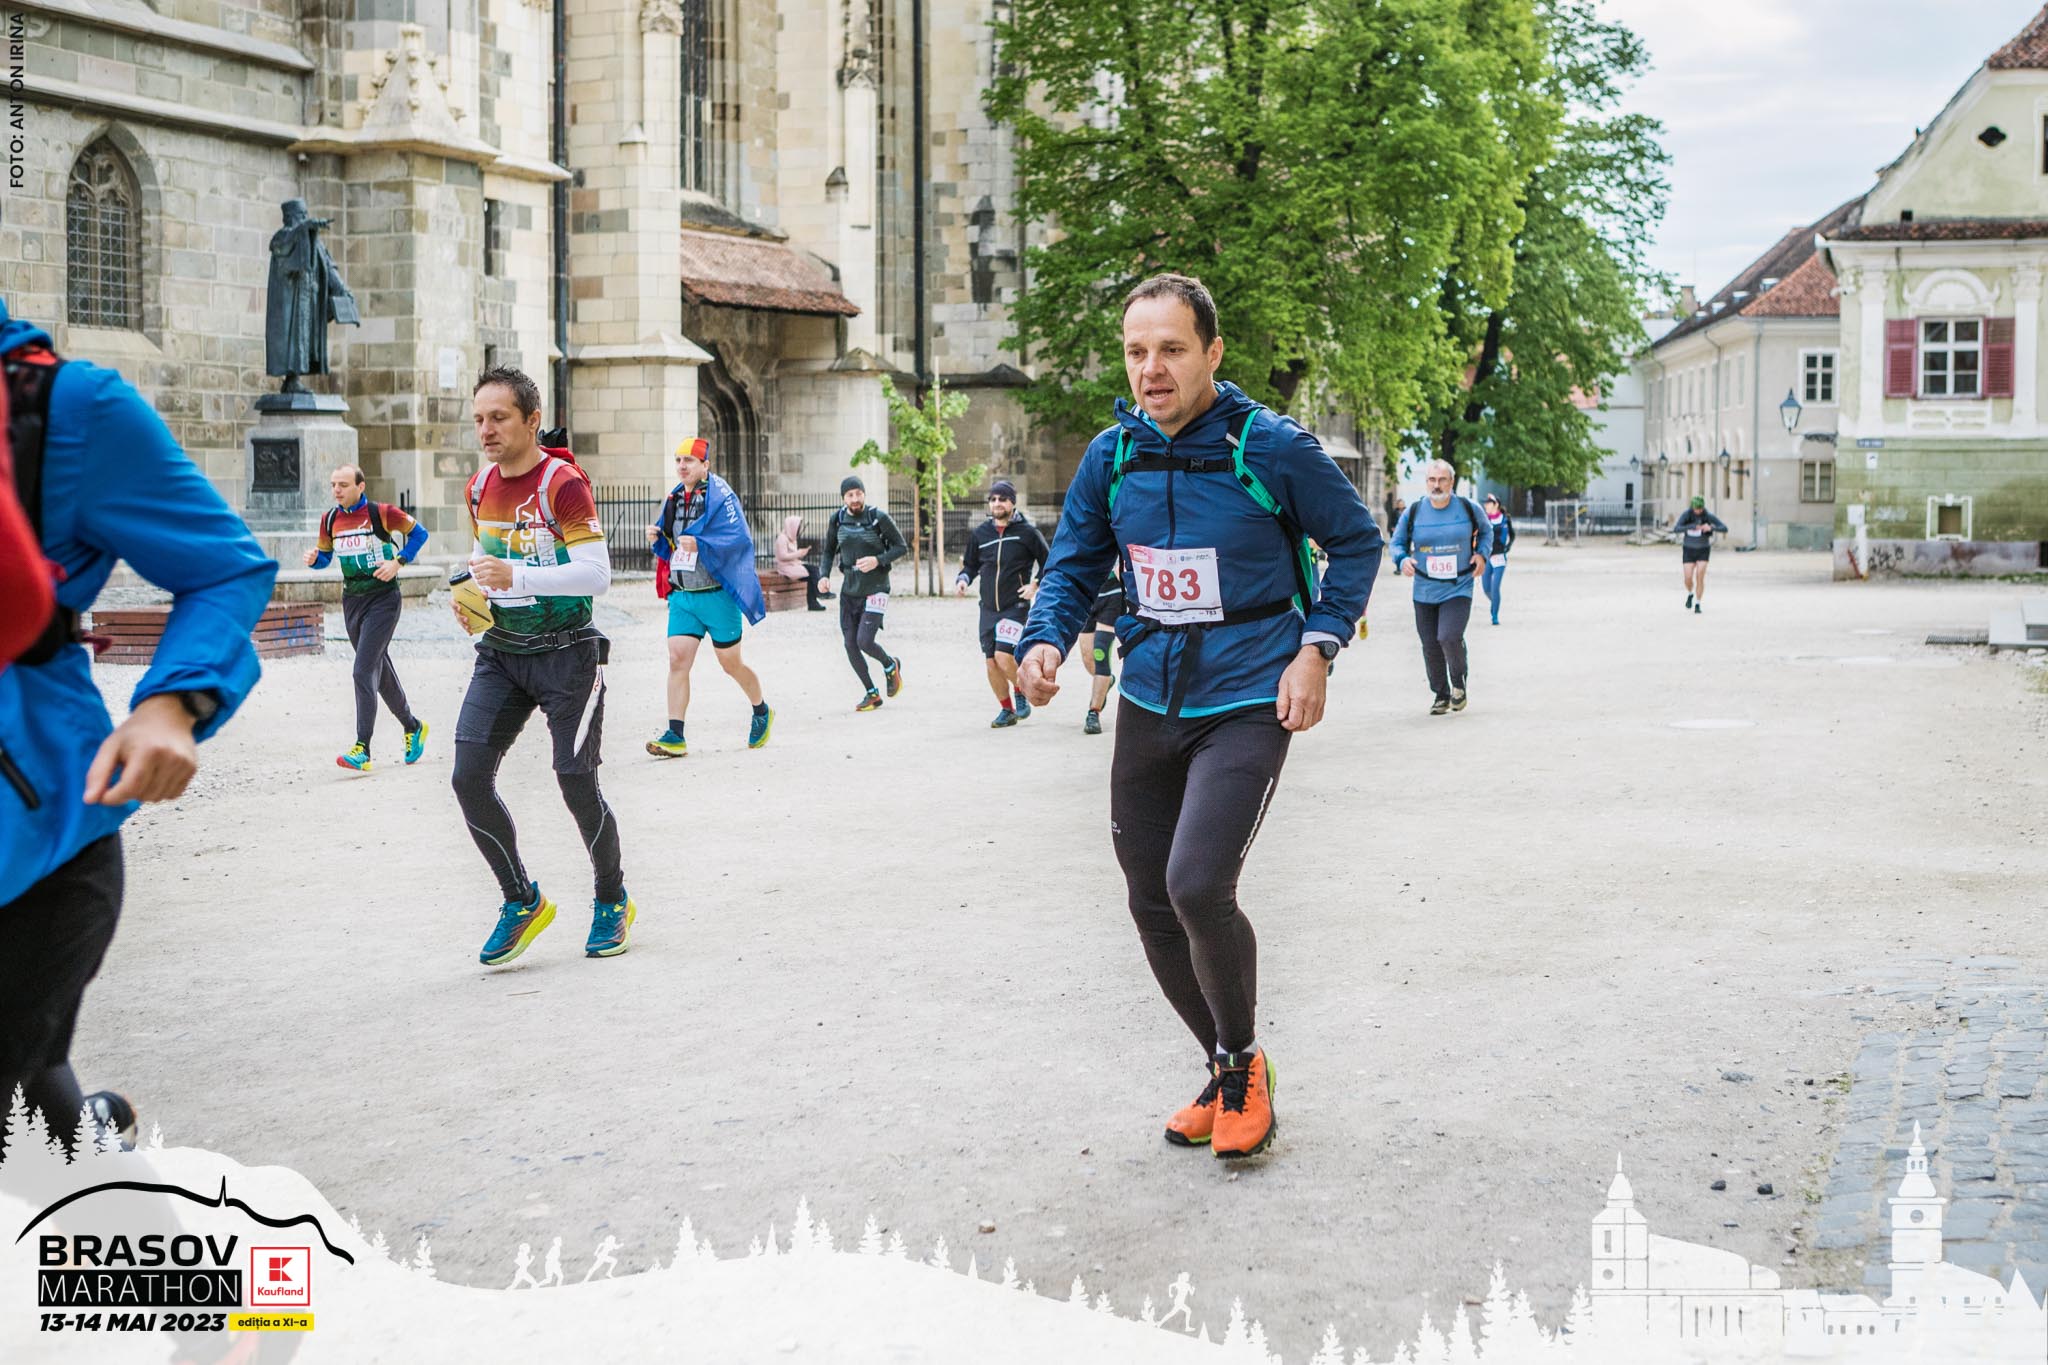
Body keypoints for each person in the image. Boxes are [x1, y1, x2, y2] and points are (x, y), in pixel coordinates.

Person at [1017, 273, 1382, 1161]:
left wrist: (1318, 646)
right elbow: (1072, 564)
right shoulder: (1112, 456)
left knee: (1196, 884)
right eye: (1137, 351)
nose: (1152, 368)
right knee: (1148, 897)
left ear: (1212, 353)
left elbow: (1356, 540)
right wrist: (1045, 639)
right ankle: (1225, 1067)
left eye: (1172, 349)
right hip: (1151, 694)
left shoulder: (1273, 448)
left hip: (1251, 694)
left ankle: (1245, 1066)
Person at [0, 296, 277, 1157]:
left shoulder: (66, 407)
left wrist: (172, 701)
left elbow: (225, 568)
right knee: (39, 1124)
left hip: (33, 852)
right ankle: (89, 1156)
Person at [451, 366, 637, 965]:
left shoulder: (562, 484)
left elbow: (598, 575)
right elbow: (484, 554)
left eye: (499, 417)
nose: (486, 430)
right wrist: (472, 595)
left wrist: (518, 575)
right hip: (502, 653)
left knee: (575, 781)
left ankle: (612, 899)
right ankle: (520, 900)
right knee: (467, 778)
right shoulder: (480, 486)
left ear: (532, 420)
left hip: (567, 655)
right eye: (479, 419)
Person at [644, 437, 773, 757]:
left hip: (717, 596)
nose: (682, 466)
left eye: (689, 460)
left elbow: (738, 541)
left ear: (706, 465)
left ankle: (761, 710)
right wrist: (658, 536)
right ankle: (675, 735)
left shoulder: (722, 498)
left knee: (731, 664)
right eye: (678, 460)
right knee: (677, 660)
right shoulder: (674, 498)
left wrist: (702, 545)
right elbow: (671, 541)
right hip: (683, 596)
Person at [302, 464, 430, 772]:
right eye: (333, 484)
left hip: (383, 600)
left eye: (343, 485)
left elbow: (419, 534)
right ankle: (413, 726)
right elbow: (325, 557)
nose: (337, 490)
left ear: (361, 486)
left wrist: (398, 561)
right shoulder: (330, 519)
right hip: (352, 602)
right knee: (378, 671)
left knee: (362, 670)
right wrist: (315, 560)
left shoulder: (381, 513)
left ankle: (363, 748)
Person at [1390, 460, 1488, 714]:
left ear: (1451, 482)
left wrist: (1482, 554)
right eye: (1432, 480)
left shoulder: (1468, 508)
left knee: (1448, 636)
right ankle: (1441, 694)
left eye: (1442, 480)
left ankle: (1458, 684)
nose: (1436, 485)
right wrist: (1402, 559)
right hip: (1424, 589)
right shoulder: (1414, 511)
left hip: (1459, 586)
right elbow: (1396, 543)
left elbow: (1486, 532)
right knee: (1430, 645)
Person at [955, 479, 1049, 728]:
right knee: (990, 662)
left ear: (1012, 503)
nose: (997, 503)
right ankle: (1007, 710)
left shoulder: (1028, 533)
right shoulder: (981, 534)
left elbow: (1049, 561)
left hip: (1015, 606)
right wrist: (963, 580)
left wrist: (1035, 585)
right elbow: (970, 565)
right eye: (993, 499)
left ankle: (1021, 691)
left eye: (1003, 499)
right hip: (988, 608)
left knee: (1003, 655)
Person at [818, 475, 907, 711]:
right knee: (850, 644)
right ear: (843, 498)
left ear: (864, 494)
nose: (855, 499)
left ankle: (890, 665)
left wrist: (878, 560)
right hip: (850, 590)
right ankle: (872, 694)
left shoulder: (877, 517)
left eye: (859, 493)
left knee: (864, 641)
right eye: (850, 495)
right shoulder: (837, 519)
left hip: (877, 588)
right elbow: (828, 551)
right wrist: (824, 575)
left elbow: (901, 547)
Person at [1078, 567, 1125, 735]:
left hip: (1113, 594)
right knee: (1088, 658)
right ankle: (1107, 680)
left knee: (1100, 652)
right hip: (1089, 597)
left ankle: (1094, 712)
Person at [1674, 495, 1727, 613]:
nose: (1698, 511)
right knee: (1688, 578)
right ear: (1692, 507)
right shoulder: (1686, 515)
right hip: (1688, 549)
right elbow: (1676, 528)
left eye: (1700, 508)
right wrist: (1692, 527)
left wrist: (1711, 528)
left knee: (1700, 575)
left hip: (1703, 549)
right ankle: (1690, 593)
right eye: (1696, 509)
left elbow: (1724, 528)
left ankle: (1698, 603)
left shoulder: (1707, 516)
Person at [774, 514, 832, 611]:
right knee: (812, 573)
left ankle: (815, 599)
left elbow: (792, 555)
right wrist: (798, 553)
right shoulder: (782, 538)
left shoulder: (791, 538)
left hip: (793, 564)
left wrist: (801, 553)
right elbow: (782, 556)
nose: (798, 529)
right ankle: (818, 595)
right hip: (786, 567)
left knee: (814, 569)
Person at [1479, 492, 1515, 626]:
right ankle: (1495, 602)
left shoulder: (1505, 519)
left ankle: (1494, 615)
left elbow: (1512, 535)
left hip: (1499, 558)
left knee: (1495, 587)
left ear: (1496, 505)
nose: (1485, 505)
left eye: (1488, 503)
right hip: (1487, 558)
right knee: (1486, 588)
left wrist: (1508, 547)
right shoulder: (1484, 519)